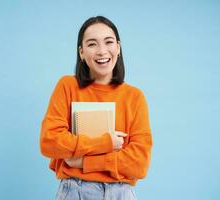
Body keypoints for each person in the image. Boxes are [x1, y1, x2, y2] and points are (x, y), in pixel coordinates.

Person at [40, 16, 153, 200]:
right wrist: (106, 143)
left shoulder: (135, 97)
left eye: (108, 42)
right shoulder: (67, 86)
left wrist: (84, 161)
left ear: (118, 47)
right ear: (82, 52)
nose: (102, 51)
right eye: (92, 44)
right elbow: (50, 142)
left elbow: (139, 164)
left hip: (121, 194)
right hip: (76, 190)